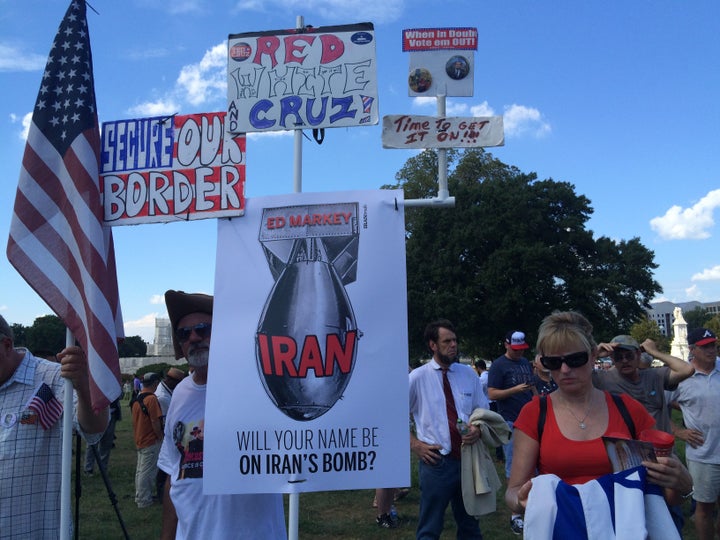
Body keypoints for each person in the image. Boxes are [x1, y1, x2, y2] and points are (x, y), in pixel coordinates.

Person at [505, 311, 693, 535]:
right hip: (564, 529)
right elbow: (513, 491)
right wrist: (521, 500)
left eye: (575, 359)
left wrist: (682, 484)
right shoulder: (534, 413)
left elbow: (664, 492)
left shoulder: (629, 410)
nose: (565, 370)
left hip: (624, 530)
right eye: (553, 362)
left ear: (594, 355)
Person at [157, 290, 286, 539]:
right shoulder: (181, 393)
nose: (194, 337)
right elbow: (174, 477)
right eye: (184, 333)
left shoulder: (258, 385)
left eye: (203, 329)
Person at [0, 314, 109, 537]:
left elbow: (95, 427)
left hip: (33, 528)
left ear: (6, 345)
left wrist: (84, 388)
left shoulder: (55, 377)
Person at [409, 319, 489, 540]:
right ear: (432, 345)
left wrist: (478, 429)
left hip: (468, 459)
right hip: (436, 462)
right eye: (447, 341)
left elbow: (482, 410)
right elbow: (393, 417)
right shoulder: (417, 377)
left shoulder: (468, 374)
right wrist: (416, 445)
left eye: (455, 340)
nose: (453, 345)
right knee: (430, 527)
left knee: (470, 525)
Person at [668, 328, 720, 540]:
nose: (711, 349)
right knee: (704, 508)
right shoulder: (681, 377)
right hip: (703, 455)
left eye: (713, 345)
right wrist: (678, 431)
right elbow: (657, 407)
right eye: (705, 346)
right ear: (692, 350)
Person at [594, 335, 694, 434]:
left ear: (638, 355)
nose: (624, 361)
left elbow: (687, 370)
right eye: (618, 357)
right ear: (612, 358)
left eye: (629, 356)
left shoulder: (654, 376)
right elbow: (580, 376)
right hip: (627, 446)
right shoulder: (604, 379)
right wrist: (594, 354)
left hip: (659, 445)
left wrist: (654, 352)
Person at [487, 330, 534, 535]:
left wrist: (535, 399)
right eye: (515, 349)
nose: (518, 353)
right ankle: (515, 515)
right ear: (506, 345)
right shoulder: (499, 365)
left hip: (529, 420)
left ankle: (532, 506)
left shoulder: (525, 362)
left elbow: (531, 386)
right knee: (513, 466)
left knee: (534, 466)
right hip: (510, 421)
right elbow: (492, 393)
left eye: (521, 349)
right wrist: (515, 390)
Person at [132, 372, 163, 508]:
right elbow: (155, 421)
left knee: (140, 470)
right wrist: (160, 436)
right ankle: (144, 500)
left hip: (140, 437)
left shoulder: (137, 398)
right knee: (147, 471)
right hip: (150, 439)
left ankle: (140, 495)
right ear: (155, 384)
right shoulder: (151, 399)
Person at [154, 367, 186, 502]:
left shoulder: (168, 392)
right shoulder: (163, 397)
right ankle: (162, 495)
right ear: (172, 381)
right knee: (164, 470)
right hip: (165, 433)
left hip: (168, 432)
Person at [84, 397, 122, 475]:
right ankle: (88, 468)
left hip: (112, 412)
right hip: (97, 412)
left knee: (107, 443)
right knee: (93, 442)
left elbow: (120, 395)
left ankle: (103, 468)